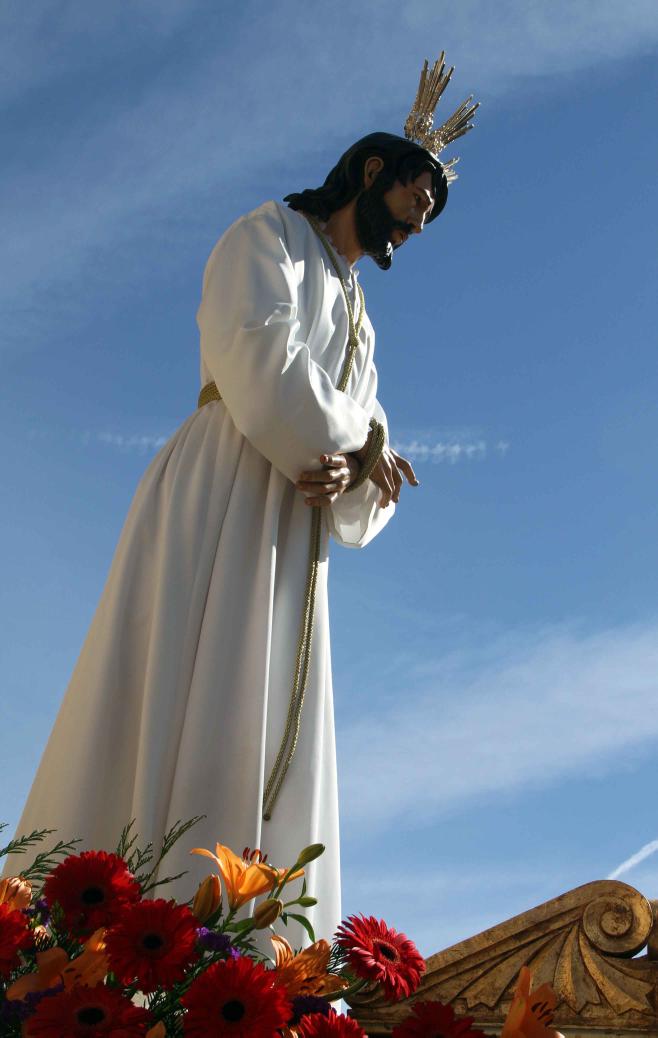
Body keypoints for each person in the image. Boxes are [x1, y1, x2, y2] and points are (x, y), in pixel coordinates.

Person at [6, 59, 477, 945]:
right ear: (372, 174)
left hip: (292, 528)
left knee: (267, 722)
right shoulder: (268, 236)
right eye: (417, 201)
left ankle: (248, 952)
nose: (417, 227)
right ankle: (125, 927)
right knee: (190, 686)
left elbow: (368, 429)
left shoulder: (360, 311)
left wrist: (356, 465)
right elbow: (258, 353)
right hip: (224, 482)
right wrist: (347, 445)